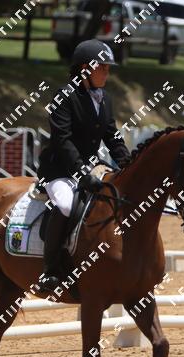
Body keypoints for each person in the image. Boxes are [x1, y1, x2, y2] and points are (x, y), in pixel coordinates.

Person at [35, 39, 131, 292]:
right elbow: (62, 140)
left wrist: (129, 165)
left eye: (108, 68)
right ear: (85, 68)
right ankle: (50, 271)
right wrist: (82, 172)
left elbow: (112, 137)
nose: (107, 73)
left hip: (91, 166)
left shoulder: (104, 98)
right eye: (103, 68)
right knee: (66, 205)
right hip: (59, 169)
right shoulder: (64, 96)